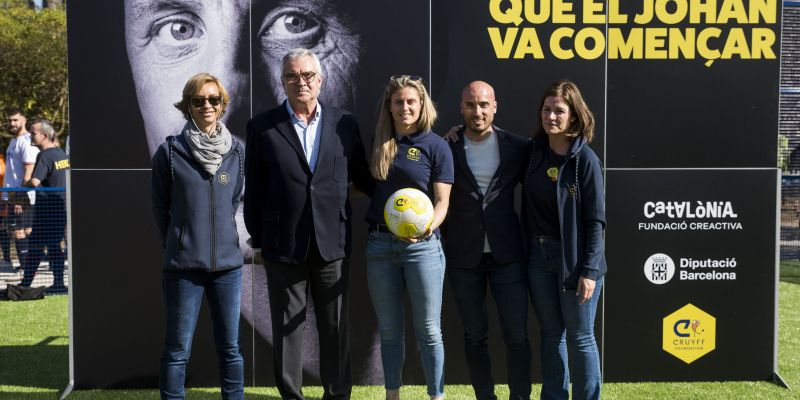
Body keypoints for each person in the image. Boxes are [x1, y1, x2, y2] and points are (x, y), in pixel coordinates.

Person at [244, 48, 374, 400]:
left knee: (335, 328)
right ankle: (292, 396)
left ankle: (337, 395)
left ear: (320, 80)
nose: (300, 82)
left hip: (332, 241)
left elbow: (363, 175)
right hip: (282, 244)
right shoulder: (262, 127)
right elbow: (253, 189)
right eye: (292, 76)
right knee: (288, 330)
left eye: (307, 76)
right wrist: (259, 240)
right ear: (282, 81)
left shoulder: (344, 123)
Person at [151, 73, 245, 400]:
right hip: (183, 270)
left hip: (228, 270)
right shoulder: (170, 152)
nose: (207, 105)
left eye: (213, 99)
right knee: (177, 350)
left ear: (222, 105)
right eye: (199, 100)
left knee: (231, 348)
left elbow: (232, 201)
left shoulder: (237, 151)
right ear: (187, 105)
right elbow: (160, 207)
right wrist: (180, 241)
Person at [365, 75, 453, 400]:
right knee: (389, 332)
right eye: (398, 102)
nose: (405, 107)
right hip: (380, 246)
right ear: (389, 106)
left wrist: (427, 227)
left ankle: (436, 395)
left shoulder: (436, 146)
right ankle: (392, 395)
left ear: (421, 105)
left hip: (423, 249)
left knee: (429, 331)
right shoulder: (378, 143)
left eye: (411, 101)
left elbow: (443, 202)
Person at [443, 81, 532, 400]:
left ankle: (520, 396)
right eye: (470, 105)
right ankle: (485, 396)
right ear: (461, 108)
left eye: (483, 104)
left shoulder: (518, 147)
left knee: (517, 335)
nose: (477, 111)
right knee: (474, 336)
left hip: (507, 256)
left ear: (495, 106)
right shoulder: (446, 146)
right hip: (463, 258)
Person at [522, 80, 606, 400]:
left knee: (581, 337)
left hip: (576, 263)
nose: (551, 117)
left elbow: (596, 221)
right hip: (538, 259)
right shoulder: (532, 154)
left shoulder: (585, 160)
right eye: (546, 110)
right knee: (551, 334)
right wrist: (456, 132)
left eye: (559, 111)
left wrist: (589, 270)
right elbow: (494, 140)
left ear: (573, 116)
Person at [20, 120, 69, 292]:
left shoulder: (45, 155)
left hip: (46, 210)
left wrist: (21, 186)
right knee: (55, 246)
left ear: (44, 135)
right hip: (61, 208)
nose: (30, 136)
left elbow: (34, 182)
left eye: (33, 133)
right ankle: (58, 284)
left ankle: (26, 283)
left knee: (35, 247)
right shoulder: (61, 154)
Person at [4, 108, 39, 272]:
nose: (12, 123)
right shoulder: (13, 141)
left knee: (24, 230)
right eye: (10, 120)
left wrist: (20, 197)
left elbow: (29, 172)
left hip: (23, 196)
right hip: (11, 195)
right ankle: (25, 266)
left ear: (24, 120)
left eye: (15, 120)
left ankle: (28, 268)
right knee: (16, 230)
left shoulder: (26, 141)